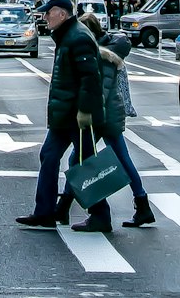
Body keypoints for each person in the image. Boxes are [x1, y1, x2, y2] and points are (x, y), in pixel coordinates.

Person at [15, 0, 109, 232]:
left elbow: (90, 78)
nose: (45, 16)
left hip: (76, 117)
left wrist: (85, 111)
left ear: (62, 13)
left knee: (86, 163)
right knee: (50, 156)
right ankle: (45, 212)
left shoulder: (78, 37)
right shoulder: (68, 36)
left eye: (49, 12)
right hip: (65, 115)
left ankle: (100, 215)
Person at [56, 17, 155, 231]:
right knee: (119, 159)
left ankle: (65, 207)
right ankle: (142, 204)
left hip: (103, 115)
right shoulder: (107, 50)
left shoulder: (100, 56)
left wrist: (88, 113)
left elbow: (102, 90)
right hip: (111, 113)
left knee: (78, 159)